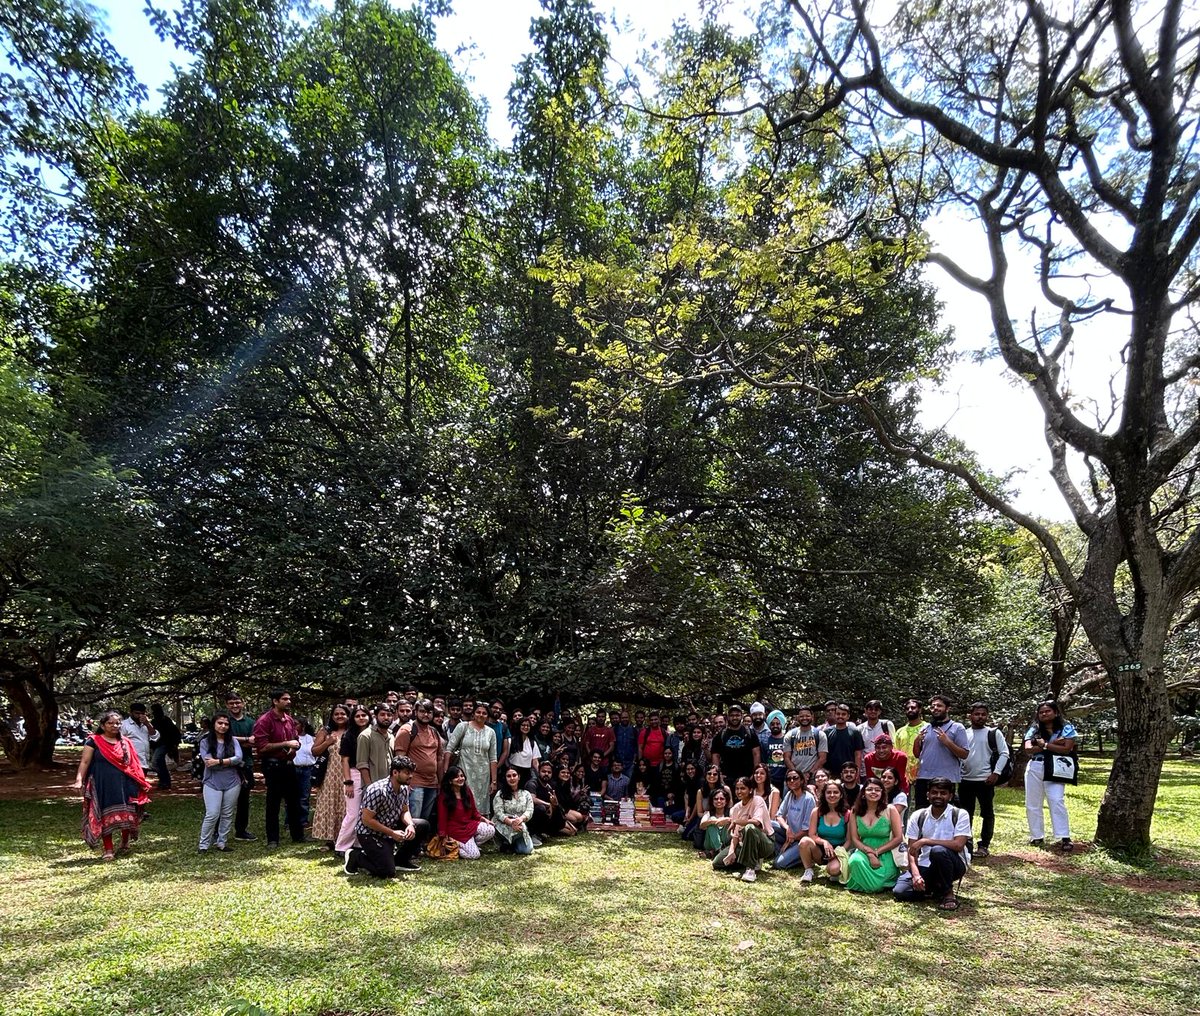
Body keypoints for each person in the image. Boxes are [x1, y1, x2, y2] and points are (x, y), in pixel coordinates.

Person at [73, 710, 151, 860]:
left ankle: (124, 842)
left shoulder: (125, 742)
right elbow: (85, 762)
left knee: (127, 813)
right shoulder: (93, 741)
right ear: (102, 725)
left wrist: (140, 781)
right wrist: (79, 780)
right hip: (103, 784)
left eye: (117, 723)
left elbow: (133, 763)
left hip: (125, 783)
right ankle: (108, 849)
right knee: (104, 815)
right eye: (110, 723)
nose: (115, 726)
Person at [343, 755, 431, 877]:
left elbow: (404, 811)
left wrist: (410, 825)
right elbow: (367, 820)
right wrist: (392, 833)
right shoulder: (377, 790)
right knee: (386, 872)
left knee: (422, 825)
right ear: (395, 772)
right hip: (369, 832)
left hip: (390, 826)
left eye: (411, 773)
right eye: (407, 773)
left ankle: (401, 860)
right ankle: (356, 856)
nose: (410, 776)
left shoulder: (404, 788)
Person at [893, 777, 972, 910]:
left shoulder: (960, 814)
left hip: (954, 864)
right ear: (928, 795)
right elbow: (912, 851)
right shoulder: (918, 815)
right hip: (926, 864)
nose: (938, 796)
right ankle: (934, 888)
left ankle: (948, 893)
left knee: (938, 851)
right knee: (900, 892)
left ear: (950, 796)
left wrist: (926, 841)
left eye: (943, 793)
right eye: (934, 792)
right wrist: (916, 875)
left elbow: (958, 845)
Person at [252, 688, 305, 847]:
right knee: (273, 803)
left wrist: (294, 746)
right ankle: (273, 839)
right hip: (273, 766)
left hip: (289, 765)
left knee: (294, 801)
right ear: (275, 701)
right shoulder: (264, 721)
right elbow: (262, 747)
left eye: (289, 699)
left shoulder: (289, 720)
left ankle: (298, 836)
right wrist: (285, 744)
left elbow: (295, 740)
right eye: (285, 699)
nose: (289, 701)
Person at [1024, 699, 1078, 853]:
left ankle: (1064, 836)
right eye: (1041, 712)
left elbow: (1067, 748)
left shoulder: (1066, 727)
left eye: (1047, 711)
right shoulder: (1034, 729)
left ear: (1055, 712)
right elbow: (1028, 749)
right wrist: (1055, 744)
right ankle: (1037, 836)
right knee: (1032, 803)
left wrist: (1044, 745)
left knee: (1056, 800)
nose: (1044, 714)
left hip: (1056, 767)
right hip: (1035, 766)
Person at [959, 702, 1010, 858]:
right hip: (965, 780)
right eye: (976, 714)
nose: (980, 717)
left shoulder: (993, 733)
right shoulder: (963, 733)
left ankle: (984, 845)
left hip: (985, 780)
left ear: (987, 716)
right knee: (966, 814)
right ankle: (966, 844)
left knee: (987, 813)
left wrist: (996, 773)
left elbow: (1004, 753)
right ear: (970, 716)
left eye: (983, 714)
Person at [844, 777, 903, 893]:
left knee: (877, 884)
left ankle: (871, 884)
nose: (873, 792)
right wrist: (870, 854)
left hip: (886, 852)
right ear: (863, 793)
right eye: (870, 789)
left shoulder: (890, 809)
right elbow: (855, 839)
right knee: (855, 861)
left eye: (877, 790)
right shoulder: (855, 811)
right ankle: (868, 883)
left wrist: (877, 852)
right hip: (863, 850)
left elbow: (898, 838)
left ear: (882, 793)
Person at [197, 710, 244, 853]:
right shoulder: (205, 741)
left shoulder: (233, 741)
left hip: (232, 781)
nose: (223, 726)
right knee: (212, 813)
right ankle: (203, 845)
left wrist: (220, 761)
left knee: (227, 813)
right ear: (214, 724)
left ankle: (221, 842)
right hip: (212, 781)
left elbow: (239, 758)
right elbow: (208, 762)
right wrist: (229, 762)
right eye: (220, 723)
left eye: (226, 724)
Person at [712, 776, 776, 882]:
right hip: (743, 844)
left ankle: (750, 869)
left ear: (750, 790)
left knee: (749, 828)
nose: (739, 791)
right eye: (737, 788)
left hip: (765, 842)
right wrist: (731, 852)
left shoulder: (757, 800)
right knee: (717, 863)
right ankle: (749, 860)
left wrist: (733, 821)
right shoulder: (735, 809)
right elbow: (736, 836)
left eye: (742, 788)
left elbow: (756, 822)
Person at [393, 699, 445, 826]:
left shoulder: (434, 732)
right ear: (415, 712)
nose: (426, 715)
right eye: (422, 711)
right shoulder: (407, 730)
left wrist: (440, 782)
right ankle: (408, 844)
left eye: (429, 712)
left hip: (432, 783)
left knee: (424, 821)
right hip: (414, 783)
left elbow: (439, 759)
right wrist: (405, 782)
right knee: (413, 820)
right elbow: (400, 759)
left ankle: (419, 844)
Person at [911, 695, 969, 809]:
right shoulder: (926, 727)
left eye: (939, 706)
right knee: (921, 811)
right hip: (924, 777)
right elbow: (917, 754)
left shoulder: (957, 728)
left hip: (946, 778)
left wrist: (947, 742)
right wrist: (916, 741)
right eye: (932, 706)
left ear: (947, 709)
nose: (935, 708)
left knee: (944, 812)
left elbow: (964, 754)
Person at [447, 702, 499, 817]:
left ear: (488, 716)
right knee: (463, 800)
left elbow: (493, 758)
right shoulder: (463, 726)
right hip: (464, 771)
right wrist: (446, 771)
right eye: (478, 712)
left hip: (483, 776)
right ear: (473, 714)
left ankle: (478, 830)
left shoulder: (491, 732)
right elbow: (449, 749)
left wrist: (493, 781)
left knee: (480, 805)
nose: (481, 715)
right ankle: (462, 829)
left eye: (484, 713)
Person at [310, 704, 350, 848]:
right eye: (336, 714)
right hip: (329, 774)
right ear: (332, 717)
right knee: (330, 804)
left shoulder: (352, 732)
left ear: (348, 715)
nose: (340, 716)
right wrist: (327, 742)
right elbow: (314, 751)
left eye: (343, 714)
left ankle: (344, 838)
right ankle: (329, 839)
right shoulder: (325, 732)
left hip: (348, 774)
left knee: (346, 805)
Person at [335, 706, 372, 855]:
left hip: (370, 774)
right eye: (358, 716)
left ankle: (358, 844)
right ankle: (341, 846)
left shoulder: (373, 734)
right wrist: (348, 782)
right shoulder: (348, 735)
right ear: (353, 718)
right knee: (353, 813)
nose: (361, 718)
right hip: (354, 774)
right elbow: (344, 760)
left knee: (366, 812)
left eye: (364, 715)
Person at [437, 766, 496, 859]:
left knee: (490, 829)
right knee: (475, 855)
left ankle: (471, 844)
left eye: (462, 776)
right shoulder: (444, 796)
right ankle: (455, 846)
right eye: (456, 777)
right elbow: (442, 818)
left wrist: (484, 820)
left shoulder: (467, 791)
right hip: (455, 831)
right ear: (450, 781)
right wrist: (443, 836)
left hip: (468, 825)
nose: (460, 779)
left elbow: (474, 812)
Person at [798, 779, 849, 884]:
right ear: (824, 795)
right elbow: (811, 834)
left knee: (833, 871)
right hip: (821, 850)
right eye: (829, 792)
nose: (832, 795)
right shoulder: (817, 811)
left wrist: (837, 853)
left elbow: (850, 840)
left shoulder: (847, 814)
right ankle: (808, 870)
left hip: (839, 850)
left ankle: (835, 868)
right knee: (804, 841)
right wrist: (824, 842)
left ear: (841, 795)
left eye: (835, 792)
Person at [225, 692, 257, 841]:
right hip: (226, 764)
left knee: (244, 800)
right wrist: (244, 739)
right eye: (231, 703)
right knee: (223, 799)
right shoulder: (224, 721)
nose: (235, 705)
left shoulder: (250, 722)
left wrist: (233, 740)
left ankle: (241, 831)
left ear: (242, 703)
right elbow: (224, 738)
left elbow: (254, 741)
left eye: (237, 702)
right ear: (227, 705)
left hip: (246, 764)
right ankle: (218, 832)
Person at [772, 770, 816, 870]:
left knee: (778, 864)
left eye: (795, 778)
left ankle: (805, 856)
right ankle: (785, 852)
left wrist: (791, 840)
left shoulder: (808, 799)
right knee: (770, 825)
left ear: (801, 780)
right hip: (790, 834)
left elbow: (806, 830)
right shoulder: (789, 794)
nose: (791, 781)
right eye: (788, 779)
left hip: (802, 839)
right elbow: (778, 816)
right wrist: (787, 828)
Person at [710, 704, 761, 784]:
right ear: (727, 717)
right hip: (727, 778)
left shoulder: (750, 733)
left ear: (741, 716)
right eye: (732, 715)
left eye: (737, 715)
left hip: (747, 777)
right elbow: (715, 755)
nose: (734, 718)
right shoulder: (720, 735)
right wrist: (718, 774)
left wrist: (755, 773)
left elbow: (756, 753)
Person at [492, 766, 535, 854]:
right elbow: (498, 812)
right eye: (509, 776)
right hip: (502, 824)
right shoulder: (500, 794)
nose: (512, 778)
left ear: (519, 777)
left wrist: (520, 819)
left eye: (514, 775)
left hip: (519, 824)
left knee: (527, 850)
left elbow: (530, 810)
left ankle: (510, 845)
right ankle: (505, 842)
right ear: (505, 778)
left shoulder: (526, 794)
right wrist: (511, 822)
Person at [526, 758, 571, 837]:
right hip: (531, 815)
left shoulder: (549, 786)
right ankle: (533, 834)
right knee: (541, 808)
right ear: (538, 772)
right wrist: (548, 804)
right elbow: (531, 798)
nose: (546, 774)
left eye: (549, 772)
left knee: (559, 811)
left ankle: (547, 832)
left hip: (547, 816)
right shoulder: (532, 783)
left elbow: (556, 803)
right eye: (544, 771)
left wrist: (554, 804)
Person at [784, 707, 827, 782]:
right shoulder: (790, 735)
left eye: (807, 716)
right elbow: (786, 758)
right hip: (793, 777)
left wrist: (809, 774)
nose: (804, 718)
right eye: (801, 716)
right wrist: (797, 775)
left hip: (813, 777)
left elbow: (822, 758)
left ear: (812, 717)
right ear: (797, 718)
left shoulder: (820, 735)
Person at [893, 698, 927, 791]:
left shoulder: (927, 728)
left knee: (921, 802)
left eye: (913, 708)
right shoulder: (900, 731)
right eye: (907, 708)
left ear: (920, 710)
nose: (910, 710)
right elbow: (896, 752)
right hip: (903, 773)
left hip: (923, 772)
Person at [823, 703, 864, 777]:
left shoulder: (855, 732)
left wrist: (857, 773)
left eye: (843, 714)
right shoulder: (826, 732)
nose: (840, 716)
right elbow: (823, 754)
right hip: (830, 773)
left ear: (848, 716)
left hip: (849, 773)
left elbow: (858, 755)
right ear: (835, 715)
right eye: (838, 714)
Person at [118, 702, 159, 771]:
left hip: (144, 762)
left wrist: (147, 724)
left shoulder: (146, 725)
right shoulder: (124, 725)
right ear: (131, 713)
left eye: (142, 713)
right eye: (137, 713)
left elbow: (155, 737)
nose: (140, 716)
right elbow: (119, 742)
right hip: (131, 762)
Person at [150, 703, 182, 790]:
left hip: (165, 745)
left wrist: (173, 745)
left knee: (156, 762)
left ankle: (165, 781)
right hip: (158, 745)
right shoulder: (153, 722)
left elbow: (174, 733)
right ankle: (164, 781)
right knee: (159, 763)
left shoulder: (166, 720)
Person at [857, 699, 896, 765]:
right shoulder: (859, 729)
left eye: (876, 710)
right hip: (866, 766)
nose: (873, 711)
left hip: (885, 766)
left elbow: (893, 746)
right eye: (870, 709)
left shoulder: (887, 725)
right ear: (865, 711)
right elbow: (859, 751)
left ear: (880, 712)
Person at [699, 787, 733, 858]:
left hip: (726, 840)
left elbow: (736, 821)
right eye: (716, 799)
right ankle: (719, 850)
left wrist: (726, 820)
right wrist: (714, 821)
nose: (719, 801)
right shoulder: (708, 813)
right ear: (712, 801)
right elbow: (701, 826)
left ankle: (714, 853)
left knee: (728, 820)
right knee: (711, 820)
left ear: (726, 801)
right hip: (710, 843)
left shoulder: (730, 811)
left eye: (722, 799)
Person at [508, 716, 542, 785]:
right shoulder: (511, 740)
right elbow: (506, 756)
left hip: (526, 773)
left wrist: (540, 773)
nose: (526, 727)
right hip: (513, 772)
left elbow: (535, 761)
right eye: (523, 725)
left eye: (528, 726)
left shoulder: (532, 743)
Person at [760, 711, 789, 790]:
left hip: (786, 780)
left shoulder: (788, 740)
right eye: (772, 724)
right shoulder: (765, 742)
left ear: (782, 724)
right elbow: (762, 761)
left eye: (778, 723)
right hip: (770, 780)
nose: (775, 726)